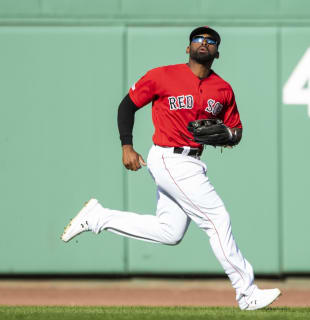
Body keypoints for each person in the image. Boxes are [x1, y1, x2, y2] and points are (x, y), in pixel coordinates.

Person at [61, 26, 281, 311]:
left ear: (217, 52)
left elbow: (236, 131)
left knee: (170, 232)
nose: (204, 43)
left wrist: (227, 135)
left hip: (193, 161)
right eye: (197, 40)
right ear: (187, 48)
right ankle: (246, 292)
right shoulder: (162, 76)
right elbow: (126, 107)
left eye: (211, 41)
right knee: (217, 218)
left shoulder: (223, 89)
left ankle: (99, 217)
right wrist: (126, 146)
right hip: (168, 157)